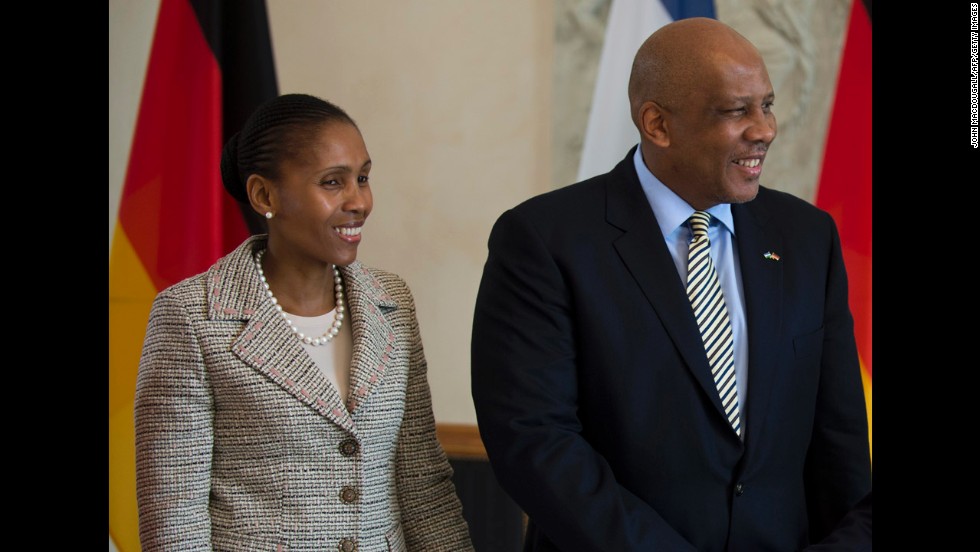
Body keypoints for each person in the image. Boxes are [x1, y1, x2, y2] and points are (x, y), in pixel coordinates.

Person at [471, 18, 871, 551]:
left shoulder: (806, 236)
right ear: (657, 124)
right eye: (737, 110)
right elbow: (536, 444)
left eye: (767, 105)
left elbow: (839, 438)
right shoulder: (544, 241)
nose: (765, 129)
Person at [135, 93, 474, 552]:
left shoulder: (392, 302)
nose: (359, 201)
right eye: (332, 182)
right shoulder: (192, 316)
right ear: (264, 194)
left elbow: (422, 483)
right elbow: (175, 522)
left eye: (363, 178)